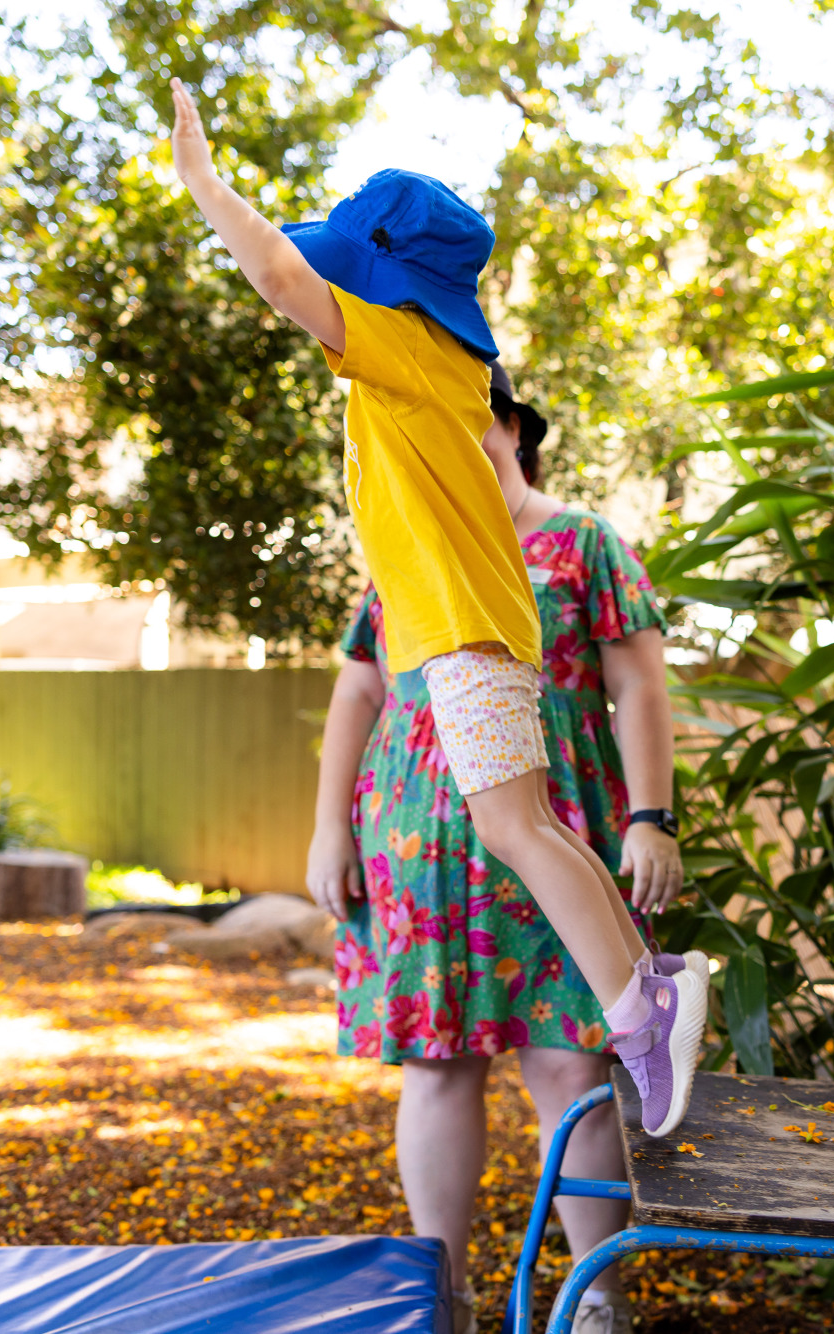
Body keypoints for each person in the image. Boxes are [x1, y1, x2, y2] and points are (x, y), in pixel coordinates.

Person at [165, 76, 705, 1145]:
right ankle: (652, 984)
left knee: (511, 825)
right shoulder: (442, 361)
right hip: (472, 629)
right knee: (538, 824)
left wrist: (206, 185)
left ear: (389, 286)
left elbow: (277, 273)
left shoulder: (401, 348)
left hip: (464, 633)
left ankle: (644, 1007)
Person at [308, 365, 686, 1333]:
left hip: (553, 834)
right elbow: (360, 690)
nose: (454, 453)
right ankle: (439, 1295)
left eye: (471, 428)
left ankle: (591, 1298)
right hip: (416, 842)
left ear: (515, 428)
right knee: (436, 1063)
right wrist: (326, 824)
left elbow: (638, 681)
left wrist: (651, 815)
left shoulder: (582, 540)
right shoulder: (408, 544)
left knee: (571, 1064)